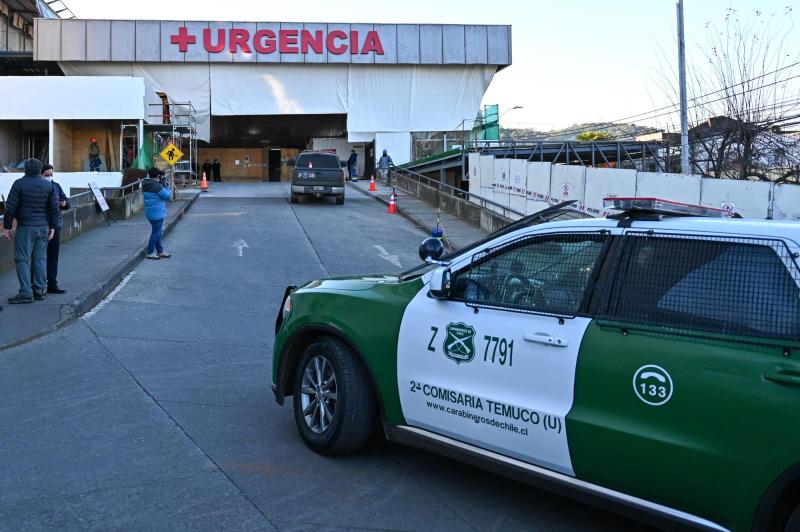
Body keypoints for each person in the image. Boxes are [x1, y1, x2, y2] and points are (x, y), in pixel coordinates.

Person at [3, 158, 59, 304]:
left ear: (26, 169)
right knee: (40, 259)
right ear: (39, 170)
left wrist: (7, 226)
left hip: (26, 227)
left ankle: (26, 293)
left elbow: (10, 207)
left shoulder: (19, 184)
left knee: (22, 259)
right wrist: (53, 227)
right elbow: (54, 208)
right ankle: (40, 290)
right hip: (43, 227)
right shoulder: (48, 185)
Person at [41, 164, 69, 294]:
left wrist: (64, 203)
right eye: (47, 175)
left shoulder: (56, 186)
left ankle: (52, 283)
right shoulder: (38, 187)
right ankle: (38, 285)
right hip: (42, 225)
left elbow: (67, 202)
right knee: (39, 257)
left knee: (53, 257)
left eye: (51, 174)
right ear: (41, 174)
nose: (50, 177)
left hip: (55, 225)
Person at [142, 167, 172, 260]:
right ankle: (150, 252)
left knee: (158, 232)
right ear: (157, 176)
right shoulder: (157, 186)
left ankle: (160, 251)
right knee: (156, 232)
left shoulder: (146, 184)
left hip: (150, 212)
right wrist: (166, 186)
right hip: (157, 213)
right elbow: (167, 196)